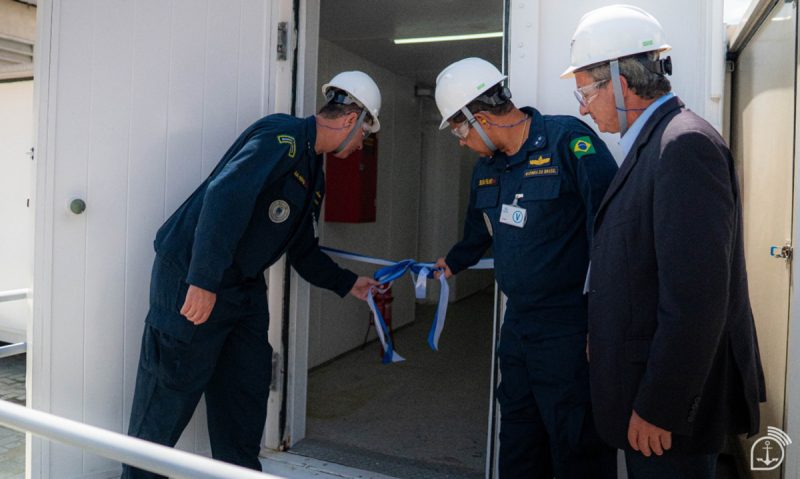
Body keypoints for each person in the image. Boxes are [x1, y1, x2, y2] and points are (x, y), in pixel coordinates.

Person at [122, 71, 382, 477]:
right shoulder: (282, 135)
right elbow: (225, 194)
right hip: (192, 277)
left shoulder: (314, 173)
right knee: (165, 405)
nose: (362, 144)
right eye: (365, 132)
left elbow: (302, 250)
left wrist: (349, 283)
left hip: (241, 291)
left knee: (243, 398)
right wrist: (204, 280)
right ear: (351, 120)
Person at [561, 5, 766, 479]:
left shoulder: (683, 145)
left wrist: (661, 406)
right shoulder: (654, 143)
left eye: (585, 92)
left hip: (667, 417)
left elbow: (697, 300)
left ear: (620, 81)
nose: (581, 108)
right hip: (642, 391)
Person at [433, 57, 618, 478]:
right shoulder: (486, 170)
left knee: (575, 441)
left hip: (568, 325)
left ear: (479, 120)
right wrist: (452, 263)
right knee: (518, 435)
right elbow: (477, 233)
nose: (461, 142)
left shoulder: (567, 141)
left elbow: (612, 228)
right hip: (517, 326)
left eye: (460, 131)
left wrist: (603, 322)